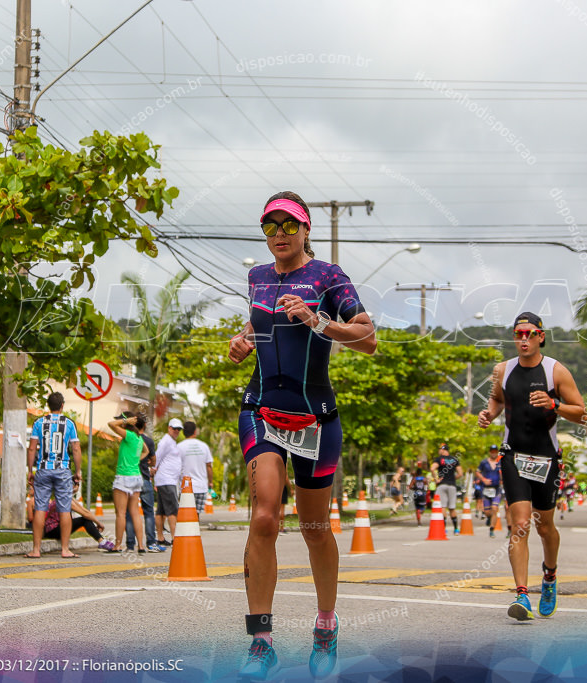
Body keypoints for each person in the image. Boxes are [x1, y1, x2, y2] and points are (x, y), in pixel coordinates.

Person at [229, 190, 377, 679]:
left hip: (316, 415)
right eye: (270, 227)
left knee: (315, 530)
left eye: (288, 226)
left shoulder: (328, 276)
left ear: (305, 228)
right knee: (266, 516)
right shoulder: (255, 277)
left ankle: (326, 623)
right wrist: (243, 341)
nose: (279, 236)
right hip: (262, 408)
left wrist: (318, 321)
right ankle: (261, 640)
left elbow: (369, 338)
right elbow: (262, 331)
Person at [477, 312, 586, 621]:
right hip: (513, 455)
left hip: (547, 457)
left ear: (540, 336)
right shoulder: (502, 370)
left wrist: (554, 405)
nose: (523, 339)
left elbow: (581, 413)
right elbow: (497, 401)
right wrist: (489, 415)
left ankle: (549, 576)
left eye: (529, 333)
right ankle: (522, 595)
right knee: (520, 524)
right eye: (518, 334)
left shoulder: (556, 371)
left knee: (545, 527)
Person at [26, 392, 82, 559]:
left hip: (43, 469)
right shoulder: (69, 424)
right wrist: (77, 471)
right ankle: (65, 549)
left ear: (48, 405)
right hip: (63, 469)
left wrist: (30, 470)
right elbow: (76, 449)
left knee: (40, 508)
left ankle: (36, 550)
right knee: (64, 509)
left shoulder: (39, 422)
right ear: (62, 405)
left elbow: (31, 448)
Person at [27, 483, 114, 551]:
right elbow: (85, 514)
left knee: (85, 519)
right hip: (52, 530)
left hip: (57, 528)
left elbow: (85, 511)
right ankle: (101, 541)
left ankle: (102, 540)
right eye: (76, 485)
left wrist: (98, 523)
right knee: (84, 520)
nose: (77, 488)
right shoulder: (64, 499)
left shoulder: (66, 497)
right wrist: (99, 523)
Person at [106, 412, 148, 553]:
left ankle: (118, 545)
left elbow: (111, 424)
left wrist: (125, 421)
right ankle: (141, 546)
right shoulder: (139, 439)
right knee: (135, 513)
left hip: (123, 477)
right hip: (136, 477)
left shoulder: (129, 436)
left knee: (121, 513)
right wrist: (135, 460)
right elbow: (146, 451)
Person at [123, 413, 164, 553]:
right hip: (145, 478)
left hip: (130, 477)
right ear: (144, 425)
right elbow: (153, 460)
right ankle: (151, 543)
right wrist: (149, 465)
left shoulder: (129, 438)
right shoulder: (148, 441)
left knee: (129, 512)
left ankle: (129, 544)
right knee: (148, 512)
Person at [153, 418, 183, 546]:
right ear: (169, 428)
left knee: (161, 511)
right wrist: (153, 472)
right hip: (166, 480)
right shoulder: (165, 441)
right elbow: (157, 457)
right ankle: (175, 537)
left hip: (166, 480)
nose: (176, 431)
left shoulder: (171, 442)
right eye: (174, 428)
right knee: (172, 510)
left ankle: (160, 537)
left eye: (178, 429)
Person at [178, 421, 214, 515]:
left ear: (183, 432)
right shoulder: (204, 446)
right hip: (201, 487)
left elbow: (176, 467)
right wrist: (210, 482)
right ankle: (195, 530)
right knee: (195, 515)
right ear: (195, 432)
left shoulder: (179, 447)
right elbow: (209, 466)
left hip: (185, 487)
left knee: (186, 515)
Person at [430, 444, 463, 536]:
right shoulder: (454, 460)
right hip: (452, 485)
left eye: (439, 449)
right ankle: (456, 529)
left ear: (443, 450)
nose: (439, 451)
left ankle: (444, 529)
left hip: (442, 485)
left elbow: (432, 468)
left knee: (442, 507)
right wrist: (453, 478)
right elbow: (460, 473)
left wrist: (436, 479)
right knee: (452, 507)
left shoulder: (439, 459)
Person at [476, 444, 503, 538]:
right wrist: (483, 480)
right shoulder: (484, 462)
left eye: (495, 451)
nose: (494, 453)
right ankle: (488, 517)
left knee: (495, 508)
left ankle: (492, 529)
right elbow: (477, 472)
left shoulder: (500, 462)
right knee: (488, 511)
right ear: (490, 452)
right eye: (492, 451)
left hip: (496, 489)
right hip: (486, 489)